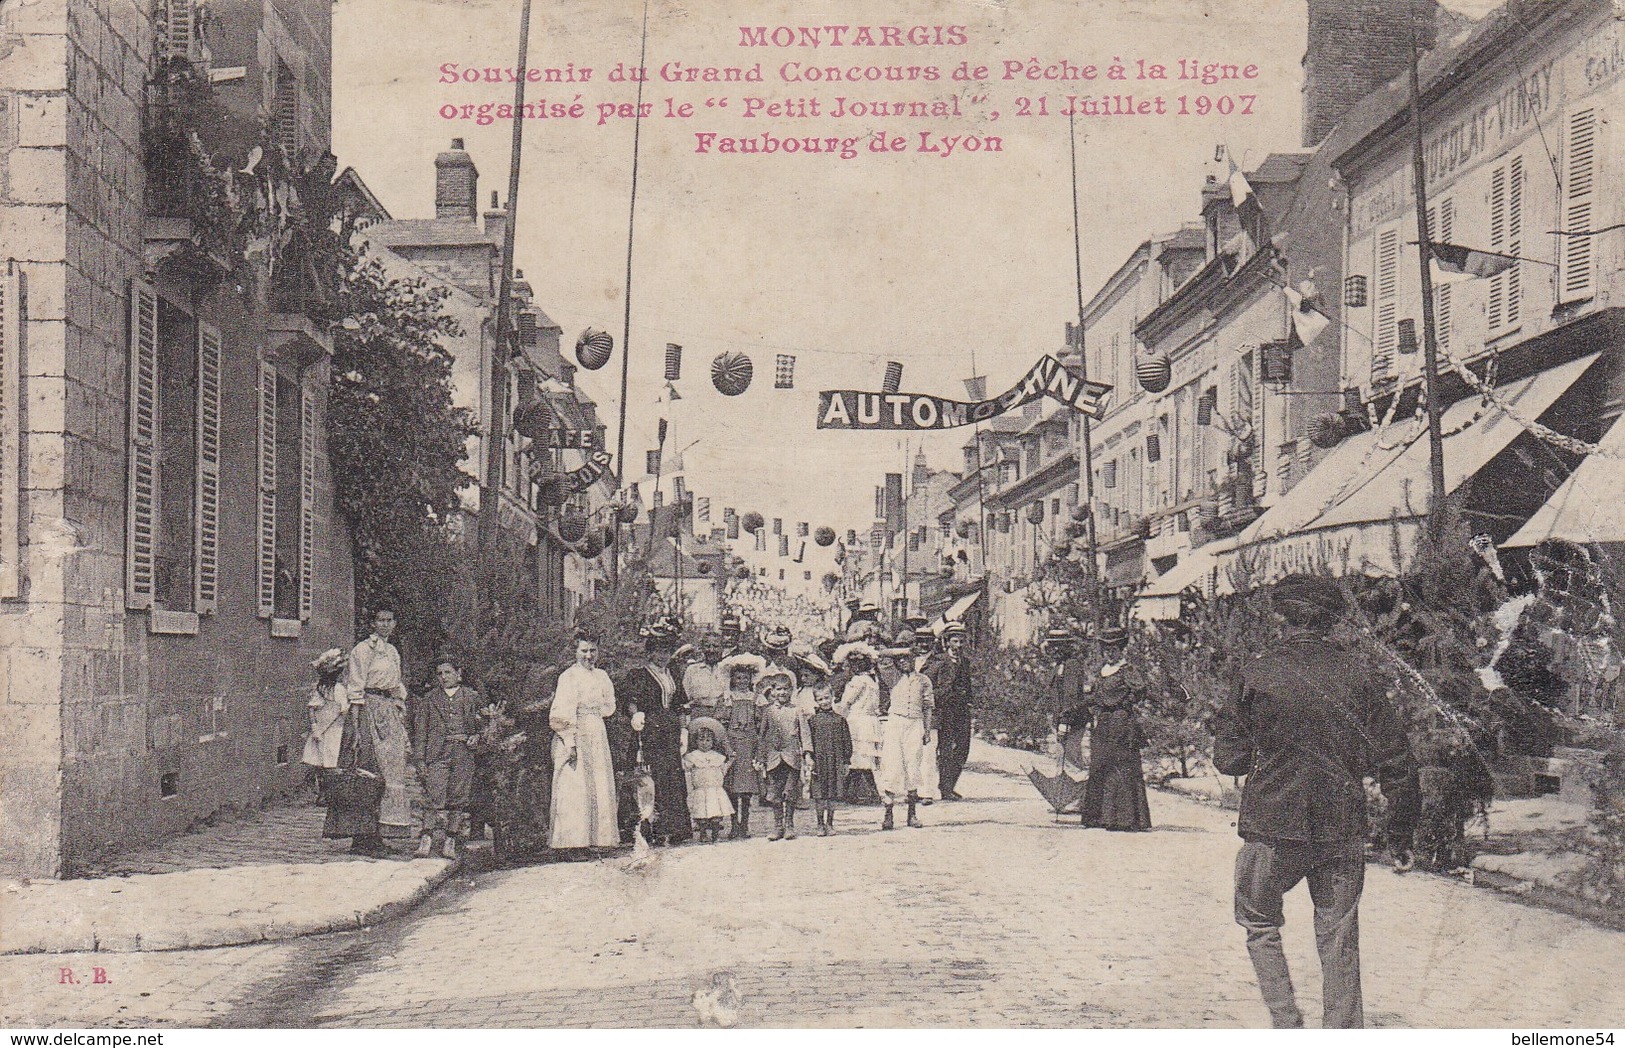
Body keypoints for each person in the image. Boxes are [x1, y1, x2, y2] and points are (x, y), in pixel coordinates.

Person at [1214, 574, 1420, 1030]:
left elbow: (1229, 758)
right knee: (1339, 935)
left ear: (1279, 617)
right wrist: (1401, 831)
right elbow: (1398, 758)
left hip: (1272, 825)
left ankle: (1287, 1025)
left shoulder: (1256, 672)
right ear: (1333, 620)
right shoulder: (1361, 675)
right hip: (1341, 824)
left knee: (1260, 923)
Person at [618, 618, 694, 845]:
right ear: (650, 652)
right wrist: (635, 714)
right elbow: (630, 699)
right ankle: (647, 829)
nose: (662, 656)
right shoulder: (639, 675)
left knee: (671, 777)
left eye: (667, 651)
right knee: (649, 777)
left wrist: (683, 730)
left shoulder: (673, 674)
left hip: (669, 732)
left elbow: (680, 703)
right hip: (648, 732)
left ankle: (674, 827)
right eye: (658, 651)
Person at [1072, 626, 1153, 832]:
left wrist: (1124, 703)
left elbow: (1141, 689)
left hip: (1121, 723)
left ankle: (1125, 819)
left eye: (1113, 649)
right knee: (1100, 765)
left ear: (1121, 650)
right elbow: (1096, 697)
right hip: (1104, 723)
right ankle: (1098, 816)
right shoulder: (1103, 671)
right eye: (1106, 649)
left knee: (1121, 768)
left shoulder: (1127, 671)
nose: (1109, 653)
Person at [345, 609, 413, 847]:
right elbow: (355, 687)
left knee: (391, 769)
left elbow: (396, 685)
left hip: (389, 711)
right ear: (373, 623)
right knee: (370, 769)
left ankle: (383, 831)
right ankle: (363, 835)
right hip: (369, 709)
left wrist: (398, 706)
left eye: (389, 620)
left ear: (394, 623)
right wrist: (357, 724)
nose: (385, 624)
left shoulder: (392, 651)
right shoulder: (363, 650)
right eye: (380, 620)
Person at [548, 635, 621, 854]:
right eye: (584, 651)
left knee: (598, 782)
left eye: (593, 651)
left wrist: (595, 718)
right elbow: (561, 712)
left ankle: (598, 838)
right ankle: (572, 843)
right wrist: (570, 742)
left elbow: (609, 706)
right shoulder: (568, 677)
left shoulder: (602, 676)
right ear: (575, 652)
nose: (589, 656)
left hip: (596, 731)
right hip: (575, 731)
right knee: (575, 784)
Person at [411, 658, 482, 859]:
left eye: (448, 673)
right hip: (437, 753)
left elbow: (483, 724)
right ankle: (426, 839)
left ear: (458, 673)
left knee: (458, 798)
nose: (443, 677)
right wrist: (420, 760)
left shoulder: (471, 697)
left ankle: (451, 840)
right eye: (440, 674)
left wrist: (477, 736)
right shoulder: (430, 699)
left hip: (463, 753)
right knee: (433, 794)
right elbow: (420, 731)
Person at [877, 634, 934, 830]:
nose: (904, 662)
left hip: (915, 724)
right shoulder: (892, 677)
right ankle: (888, 814)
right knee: (892, 766)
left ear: (914, 659)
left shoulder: (923, 680)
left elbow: (928, 707)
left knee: (913, 765)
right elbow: (881, 656)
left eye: (908, 658)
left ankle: (912, 814)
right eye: (900, 659)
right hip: (896, 723)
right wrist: (901, 651)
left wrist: (927, 730)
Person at [755, 670, 811, 841]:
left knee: (790, 791)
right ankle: (777, 826)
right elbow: (763, 736)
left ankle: (789, 825)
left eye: (786, 689)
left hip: (791, 757)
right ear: (772, 691)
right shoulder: (768, 711)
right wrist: (760, 757)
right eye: (778, 689)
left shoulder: (797, 711)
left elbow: (805, 734)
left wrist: (808, 754)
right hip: (773, 758)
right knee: (775, 793)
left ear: (792, 690)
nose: (782, 693)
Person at [717, 653, 767, 838]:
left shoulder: (756, 698)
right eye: (738, 678)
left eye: (745, 678)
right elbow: (721, 721)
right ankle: (733, 824)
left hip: (749, 744)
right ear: (732, 679)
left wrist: (759, 745)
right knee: (731, 787)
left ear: (750, 679)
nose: (741, 681)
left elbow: (762, 722)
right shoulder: (727, 697)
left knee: (746, 788)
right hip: (732, 743)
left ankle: (744, 824)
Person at [927, 622, 975, 800]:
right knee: (945, 749)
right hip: (945, 711)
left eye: (961, 642)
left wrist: (969, 701)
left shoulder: (965, 662)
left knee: (963, 748)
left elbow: (968, 686)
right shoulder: (938, 661)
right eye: (955, 641)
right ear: (947, 642)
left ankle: (950, 784)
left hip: (962, 711)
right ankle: (945, 788)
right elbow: (928, 686)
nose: (959, 646)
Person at [835, 643, 884, 804]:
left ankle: (870, 792)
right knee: (860, 758)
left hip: (857, 721)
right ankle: (849, 791)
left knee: (858, 757)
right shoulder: (873, 680)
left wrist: (837, 719)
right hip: (869, 720)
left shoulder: (858, 681)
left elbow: (846, 703)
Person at [302, 648, 351, 798]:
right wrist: (316, 727)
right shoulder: (330, 689)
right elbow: (342, 710)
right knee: (327, 761)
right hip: (330, 731)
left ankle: (327, 793)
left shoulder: (330, 689)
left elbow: (314, 710)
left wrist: (316, 727)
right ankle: (325, 793)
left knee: (327, 761)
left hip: (330, 730)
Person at [806, 686, 852, 836]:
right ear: (815, 701)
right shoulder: (812, 721)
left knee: (832, 794)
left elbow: (847, 742)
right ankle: (820, 824)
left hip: (835, 761)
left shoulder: (840, 720)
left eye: (826, 697)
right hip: (819, 762)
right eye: (820, 699)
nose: (824, 701)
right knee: (819, 795)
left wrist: (846, 762)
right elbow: (808, 742)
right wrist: (809, 759)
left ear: (832, 696)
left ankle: (830, 823)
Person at [684, 726, 732, 844]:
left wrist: (731, 761)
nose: (704, 743)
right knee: (701, 813)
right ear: (696, 741)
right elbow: (686, 768)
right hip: (701, 789)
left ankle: (715, 834)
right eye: (701, 740)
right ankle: (703, 833)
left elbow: (723, 771)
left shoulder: (717, 756)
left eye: (708, 740)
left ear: (713, 742)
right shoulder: (693, 756)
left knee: (716, 813)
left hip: (715, 789)